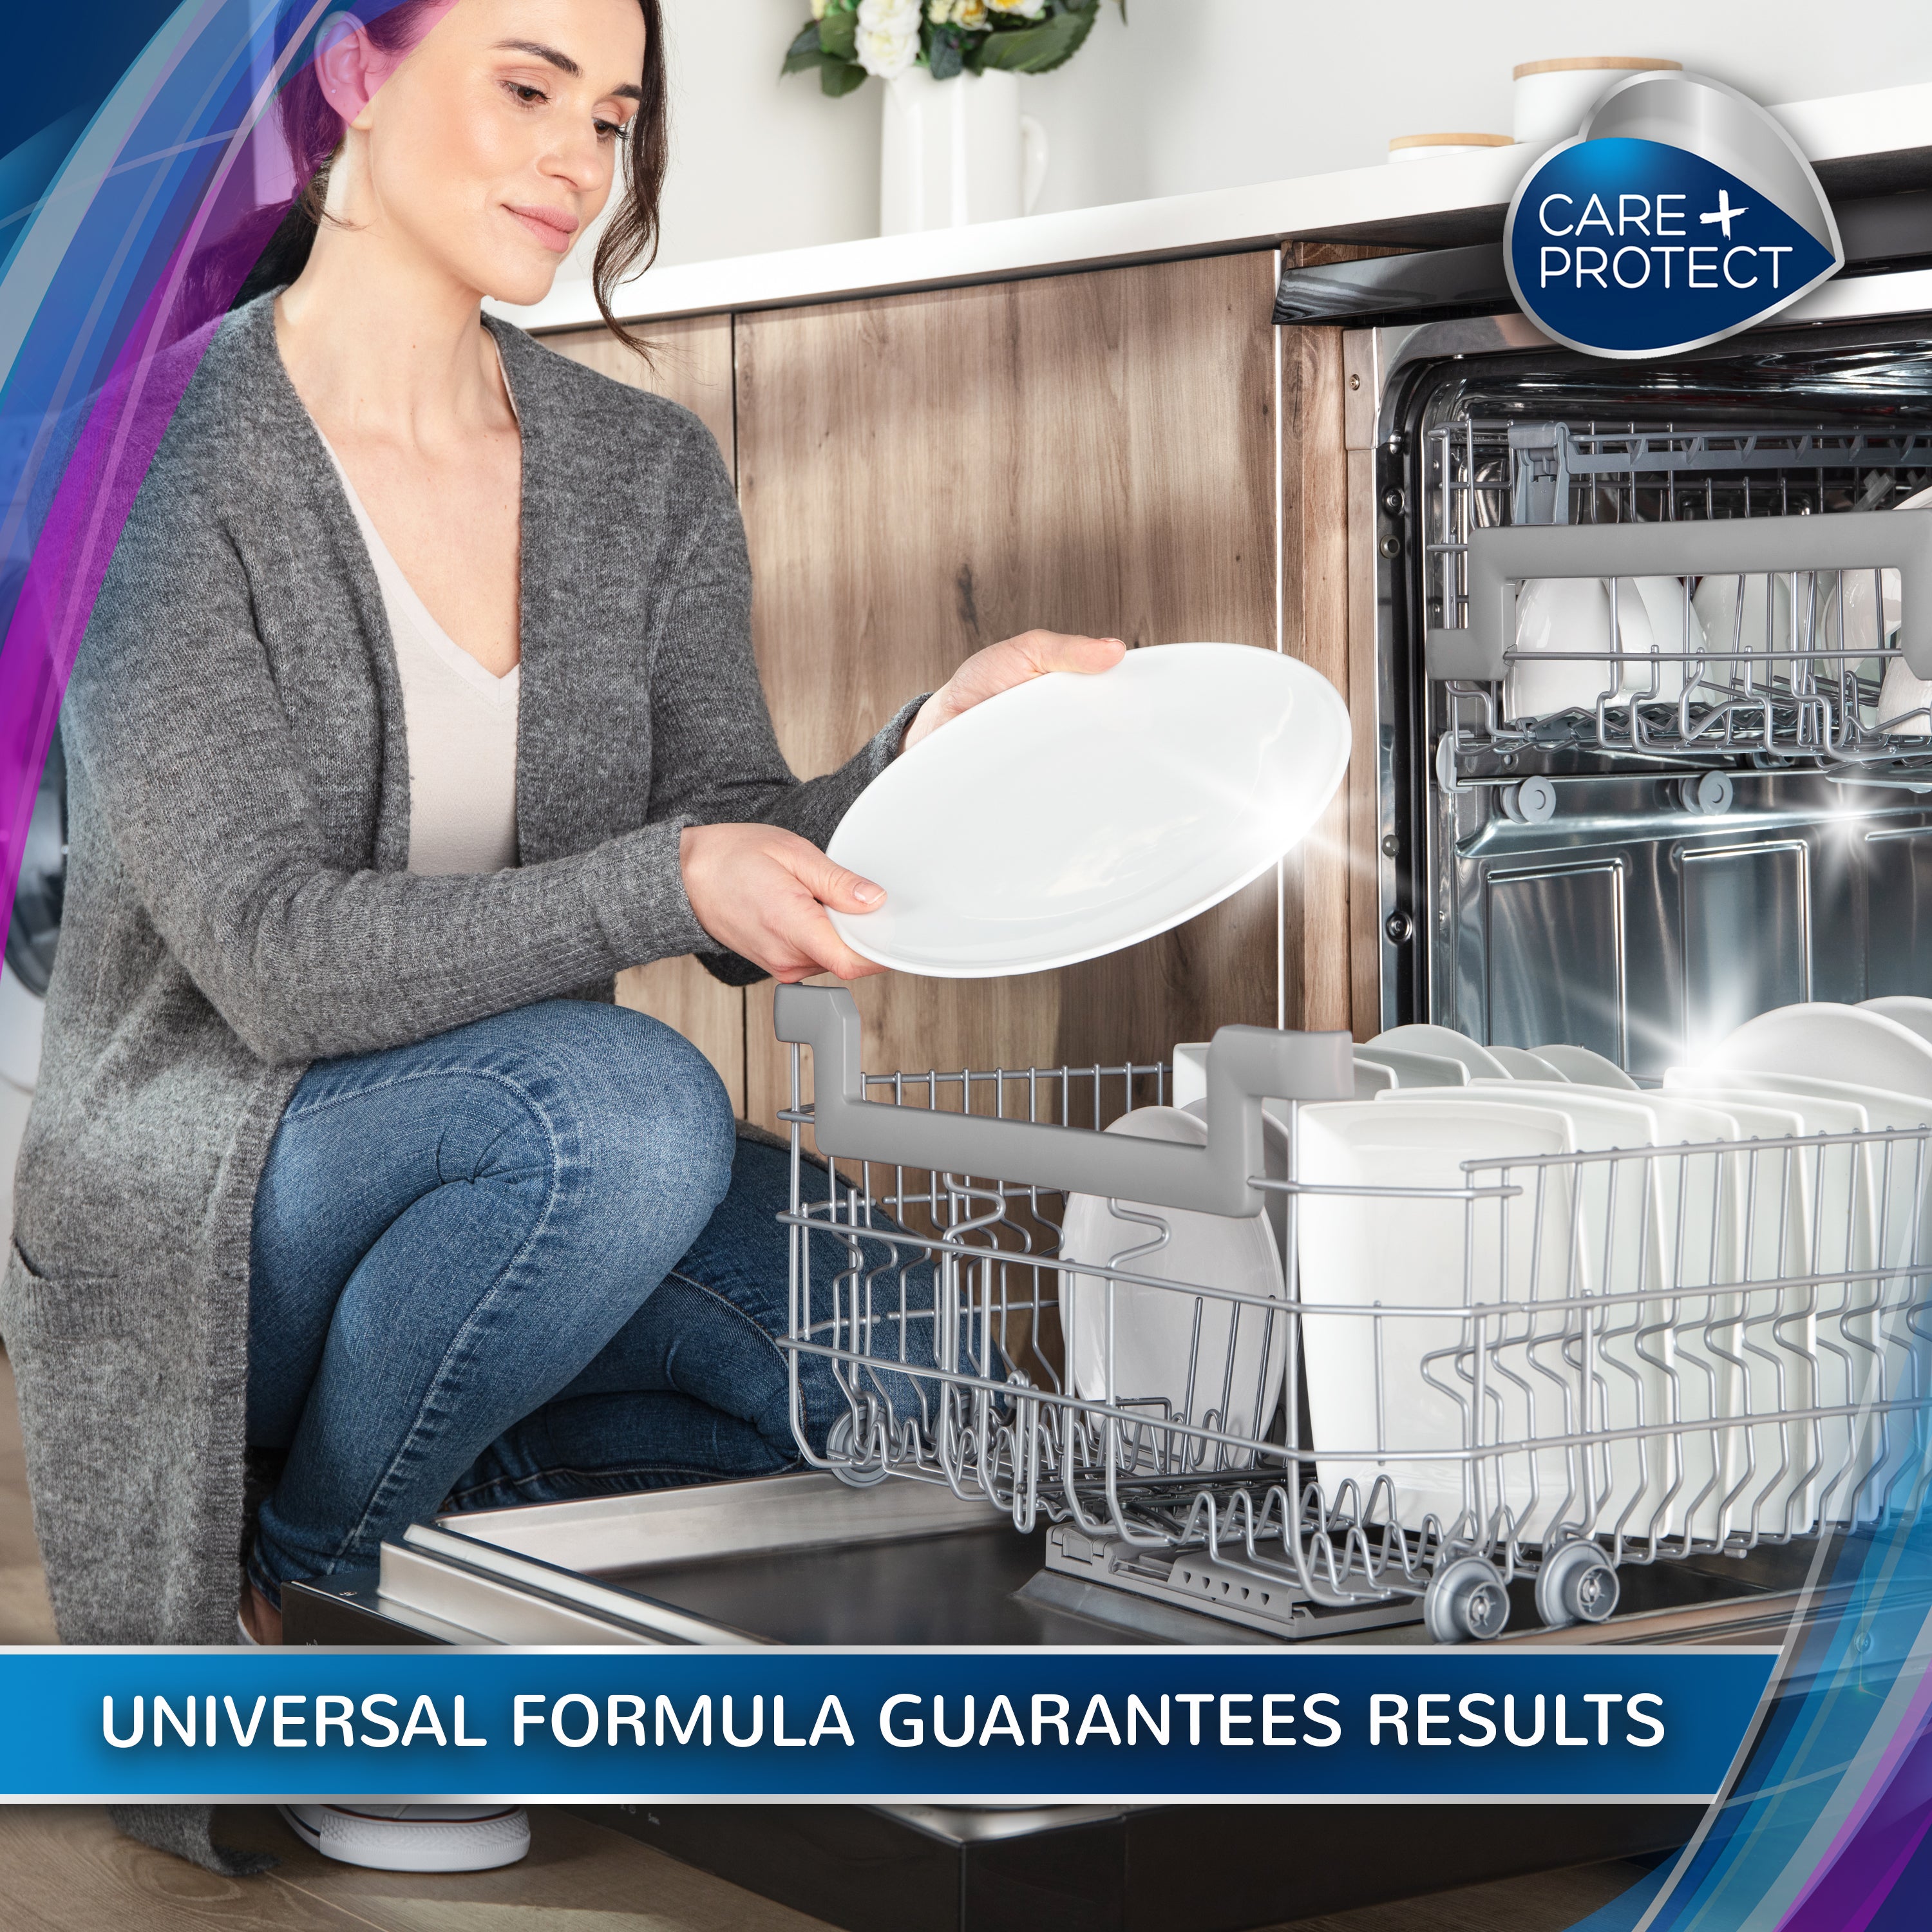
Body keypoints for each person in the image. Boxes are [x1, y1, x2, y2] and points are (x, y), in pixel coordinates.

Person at [3, 0, 1123, 1877]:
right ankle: (328, 1599)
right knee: (624, 1104)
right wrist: (668, 889)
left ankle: (482, 1544)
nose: (575, 162)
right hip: (213, 1190)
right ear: (351, 80)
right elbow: (273, 962)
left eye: (609, 116)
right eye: (525, 88)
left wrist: (930, 758)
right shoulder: (140, 455)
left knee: (928, 1365)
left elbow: (732, 847)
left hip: (521, 1195)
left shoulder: (639, 469)